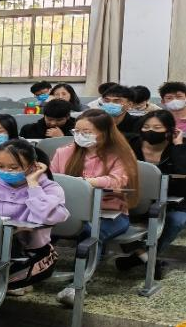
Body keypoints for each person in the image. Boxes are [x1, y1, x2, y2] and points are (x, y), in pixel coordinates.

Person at [50, 109, 139, 307]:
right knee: (41, 228)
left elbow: (117, 180)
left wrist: (86, 183)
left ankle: (78, 285)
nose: (80, 136)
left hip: (110, 213)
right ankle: (28, 275)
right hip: (70, 211)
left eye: (87, 132)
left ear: (104, 132)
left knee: (91, 233)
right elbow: (51, 179)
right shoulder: (64, 152)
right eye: (77, 131)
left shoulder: (120, 154)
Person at [0, 140, 68, 293]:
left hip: (28, 250)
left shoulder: (49, 187)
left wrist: (33, 185)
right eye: (0, 166)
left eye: (14, 167)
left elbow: (47, 216)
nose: (6, 171)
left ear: (33, 166)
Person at [117, 111, 186, 278]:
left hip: (170, 200)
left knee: (177, 220)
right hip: (131, 198)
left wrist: (178, 146)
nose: (150, 131)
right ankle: (147, 260)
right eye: (146, 127)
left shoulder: (179, 147)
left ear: (169, 130)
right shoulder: (131, 143)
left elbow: (182, 175)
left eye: (157, 127)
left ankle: (141, 257)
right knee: (113, 218)